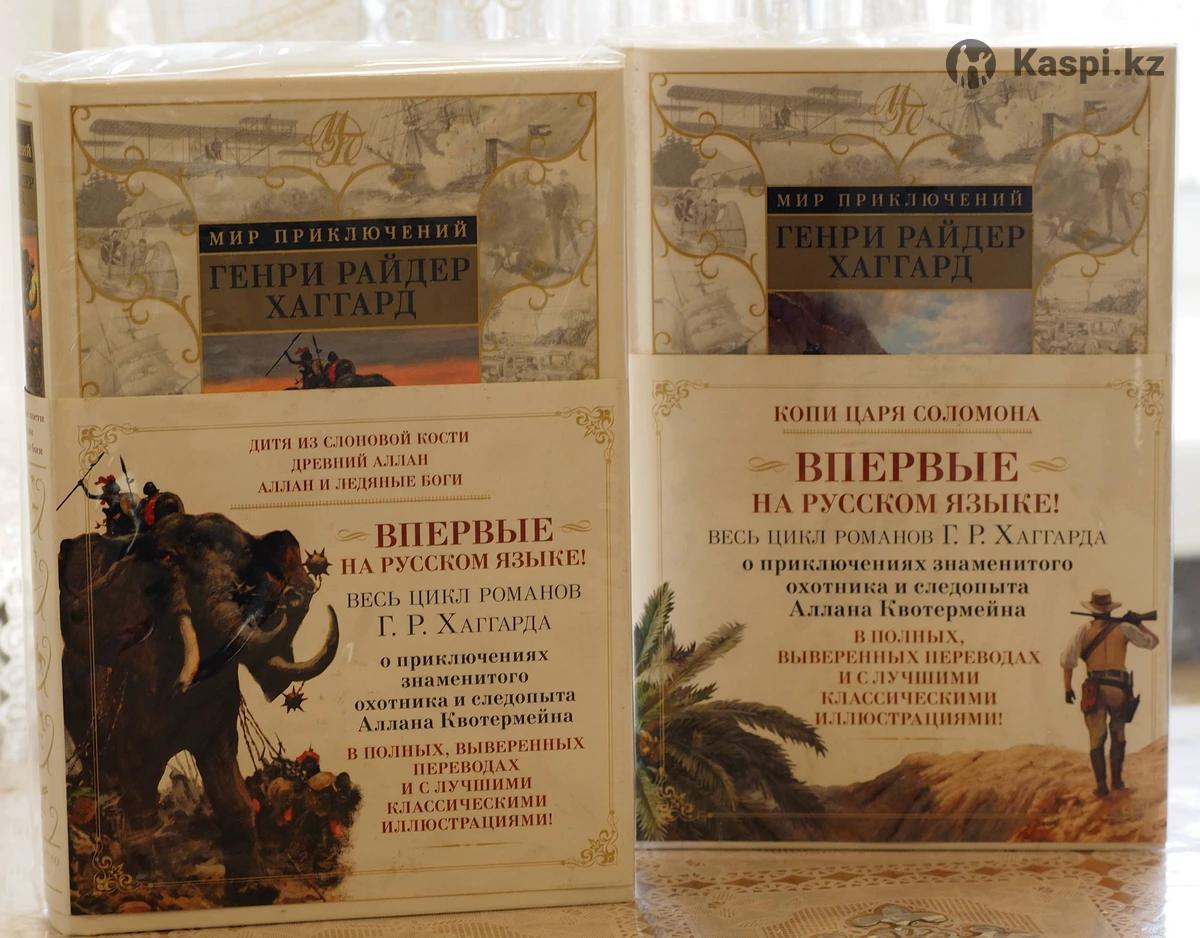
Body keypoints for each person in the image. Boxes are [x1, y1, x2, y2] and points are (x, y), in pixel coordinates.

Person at [1061, 588, 1159, 797]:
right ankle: (1117, 782)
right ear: (1110, 608)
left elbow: (1068, 660)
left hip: (1094, 689)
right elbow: (1153, 642)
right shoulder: (1124, 628)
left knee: (1096, 738)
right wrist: (1138, 623)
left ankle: (1102, 787)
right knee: (1118, 734)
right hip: (1119, 689)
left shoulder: (1083, 630)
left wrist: (1067, 688)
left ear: (1092, 608)